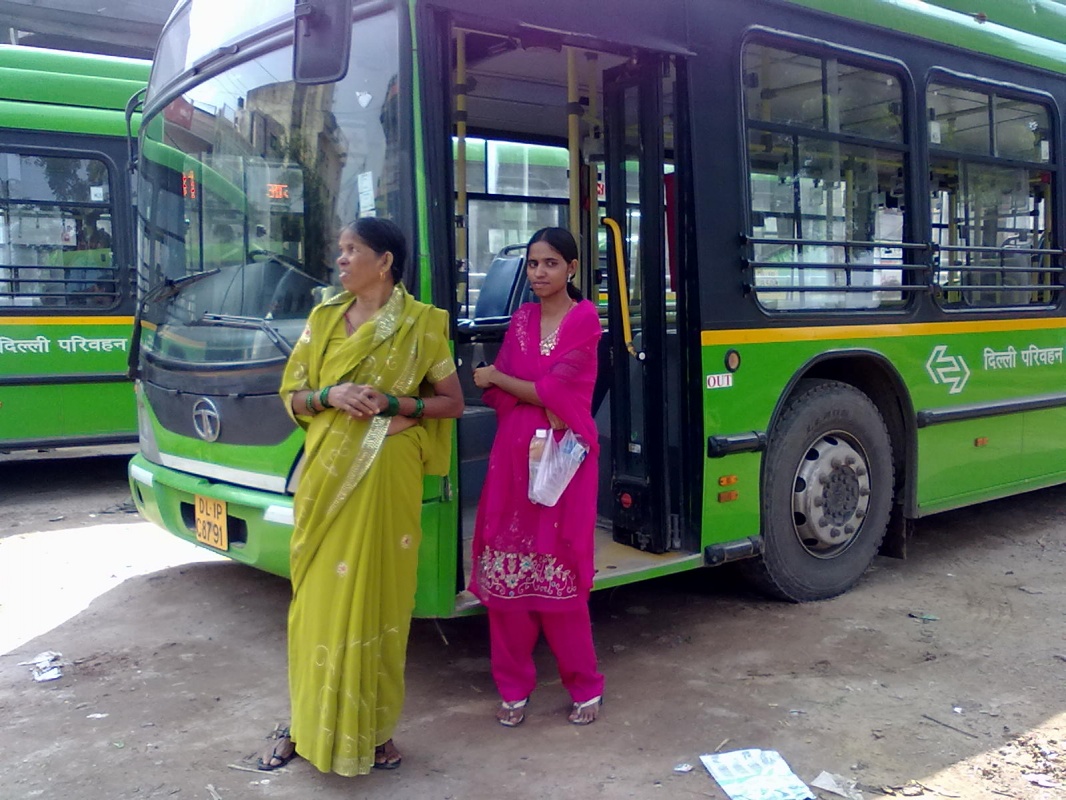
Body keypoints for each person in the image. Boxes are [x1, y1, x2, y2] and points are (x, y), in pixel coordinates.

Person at [266, 217, 464, 775]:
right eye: (341, 249)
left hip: (388, 478)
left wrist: (397, 405)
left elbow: (451, 402)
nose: (341, 259)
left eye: (352, 249)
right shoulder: (324, 319)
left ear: (385, 262)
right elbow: (293, 395)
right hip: (327, 480)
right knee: (317, 605)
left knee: (380, 602)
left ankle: (374, 733)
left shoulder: (423, 325)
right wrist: (331, 395)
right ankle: (306, 725)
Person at [470, 226, 605, 727]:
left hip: (562, 462)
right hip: (513, 455)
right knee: (508, 576)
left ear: (572, 267)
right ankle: (513, 688)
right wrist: (527, 391)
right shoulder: (522, 318)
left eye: (550, 263)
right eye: (532, 263)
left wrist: (501, 378)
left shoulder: (584, 318)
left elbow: (559, 390)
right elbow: (511, 393)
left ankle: (585, 686)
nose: (539, 272)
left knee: (559, 570)